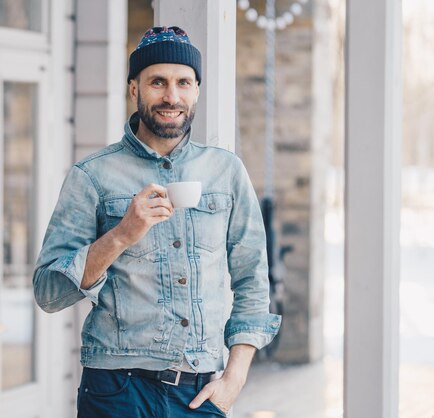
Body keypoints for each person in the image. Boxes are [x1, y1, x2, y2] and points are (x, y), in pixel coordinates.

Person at [33, 26, 281, 417]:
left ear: (197, 90)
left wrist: (234, 378)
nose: (172, 96)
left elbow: (253, 278)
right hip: (117, 390)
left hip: (201, 393)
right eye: (158, 82)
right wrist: (120, 236)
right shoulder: (92, 176)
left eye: (184, 82)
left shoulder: (226, 172)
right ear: (134, 89)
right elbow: (49, 292)